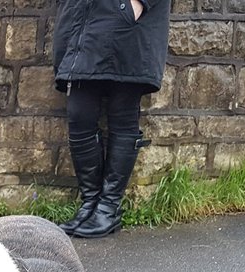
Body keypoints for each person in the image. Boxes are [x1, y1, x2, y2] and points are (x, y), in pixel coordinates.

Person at [53, 0, 171, 238]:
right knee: (79, 114)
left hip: (126, 25)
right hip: (81, 23)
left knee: (122, 114)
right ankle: (90, 204)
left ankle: (108, 208)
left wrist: (134, 5)